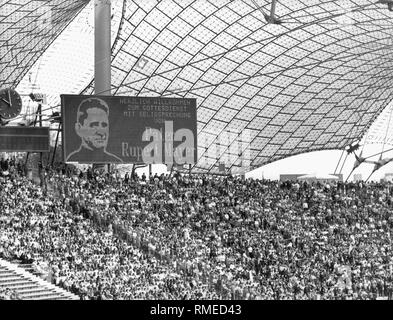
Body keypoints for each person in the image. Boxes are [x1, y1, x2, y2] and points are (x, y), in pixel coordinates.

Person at [66, 97, 122, 163]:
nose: (101, 132)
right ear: (79, 128)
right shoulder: (73, 159)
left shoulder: (116, 160)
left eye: (104, 125)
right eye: (94, 125)